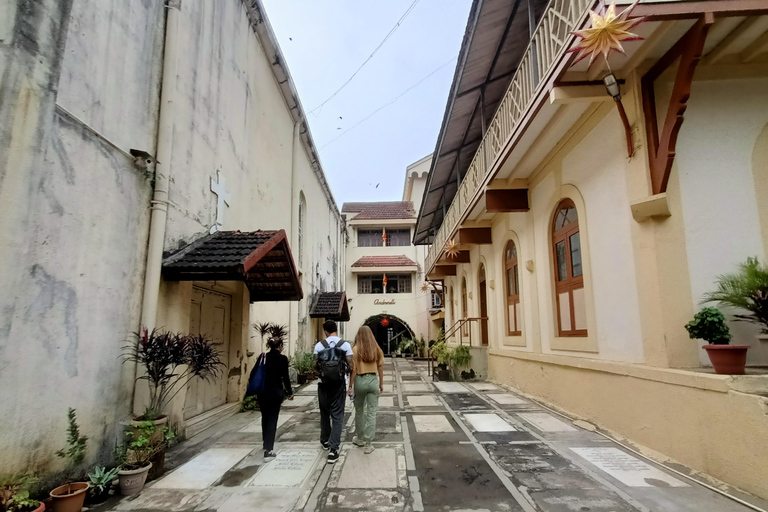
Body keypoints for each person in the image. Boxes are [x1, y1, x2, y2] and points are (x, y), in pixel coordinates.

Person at [314, 320, 353, 464]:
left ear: (325, 331)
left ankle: (325, 440)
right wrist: (342, 375)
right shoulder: (345, 345)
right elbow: (351, 366)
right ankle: (333, 450)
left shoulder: (319, 346)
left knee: (324, 413)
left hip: (322, 385)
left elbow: (315, 366)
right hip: (338, 384)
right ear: (336, 329)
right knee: (337, 416)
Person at [347, 326, 384, 454]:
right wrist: (381, 384)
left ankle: (360, 438)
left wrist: (350, 386)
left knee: (359, 410)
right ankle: (369, 444)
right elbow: (380, 368)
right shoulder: (376, 349)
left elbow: (354, 370)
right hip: (373, 380)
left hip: (360, 381)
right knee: (371, 412)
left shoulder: (355, 349)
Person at [256, 337, 293, 460]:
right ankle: (268, 449)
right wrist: (290, 392)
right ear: (280, 346)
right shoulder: (282, 359)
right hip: (275, 393)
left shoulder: (262, 357)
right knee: (272, 419)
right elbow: (285, 377)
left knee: (265, 417)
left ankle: (265, 441)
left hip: (262, 393)